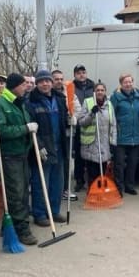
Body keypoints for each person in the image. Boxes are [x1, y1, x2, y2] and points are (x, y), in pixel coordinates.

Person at [0, 73, 38, 245]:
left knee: (23, 190)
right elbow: (1, 131)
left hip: (22, 153)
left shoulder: (20, 103)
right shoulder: (0, 105)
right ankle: (22, 229)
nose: (26, 87)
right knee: (16, 193)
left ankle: (8, 224)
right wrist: (25, 128)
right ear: (14, 86)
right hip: (9, 155)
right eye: (22, 84)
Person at [26, 69, 70, 226]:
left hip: (59, 146)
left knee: (57, 182)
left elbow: (64, 119)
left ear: (52, 83)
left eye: (47, 81)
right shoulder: (31, 101)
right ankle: (39, 214)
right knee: (40, 182)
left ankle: (54, 210)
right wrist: (39, 146)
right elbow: (31, 127)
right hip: (42, 149)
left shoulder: (59, 99)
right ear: (36, 83)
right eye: (41, 81)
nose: (45, 84)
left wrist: (70, 121)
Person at [110, 74, 139, 196]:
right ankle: (119, 187)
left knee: (132, 163)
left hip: (136, 135)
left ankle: (130, 186)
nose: (128, 84)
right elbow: (111, 114)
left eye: (130, 82)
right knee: (119, 164)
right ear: (121, 84)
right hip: (121, 136)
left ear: (133, 82)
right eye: (125, 82)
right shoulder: (115, 97)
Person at [78, 82, 116, 188]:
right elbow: (81, 122)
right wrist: (91, 113)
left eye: (102, 90)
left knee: (103, 171)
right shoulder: (88, 102)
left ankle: (101, 192)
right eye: (98, 90)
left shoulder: (109, 104)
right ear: (94, 92)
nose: (100, 92)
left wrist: (113, 142)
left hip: (104, 144)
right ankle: (92, 192)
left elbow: (113, 124)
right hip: (91, 144)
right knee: (92, 172)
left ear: (105, 92)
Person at [52, 69, 79, 201]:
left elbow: (77, 108)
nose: (59, 81)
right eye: (56, 79)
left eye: (61, 79)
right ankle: (54, 189)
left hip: (67, 133)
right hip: (53, 133)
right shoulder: (49, 94)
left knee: (67, 161)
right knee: (54, 162)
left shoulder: (70, 93)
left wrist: (74, 117)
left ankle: (66, 189)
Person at [69, 64, 95, 192]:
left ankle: (91, 180)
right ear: (74, 74)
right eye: (78, 73)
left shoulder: (93, 87)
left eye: (83, 72)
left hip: (91, 125)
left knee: (91, 154)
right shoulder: (71, 87)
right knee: (79, 155)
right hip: (78, 125)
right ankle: (79, 180)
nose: (81, 75)